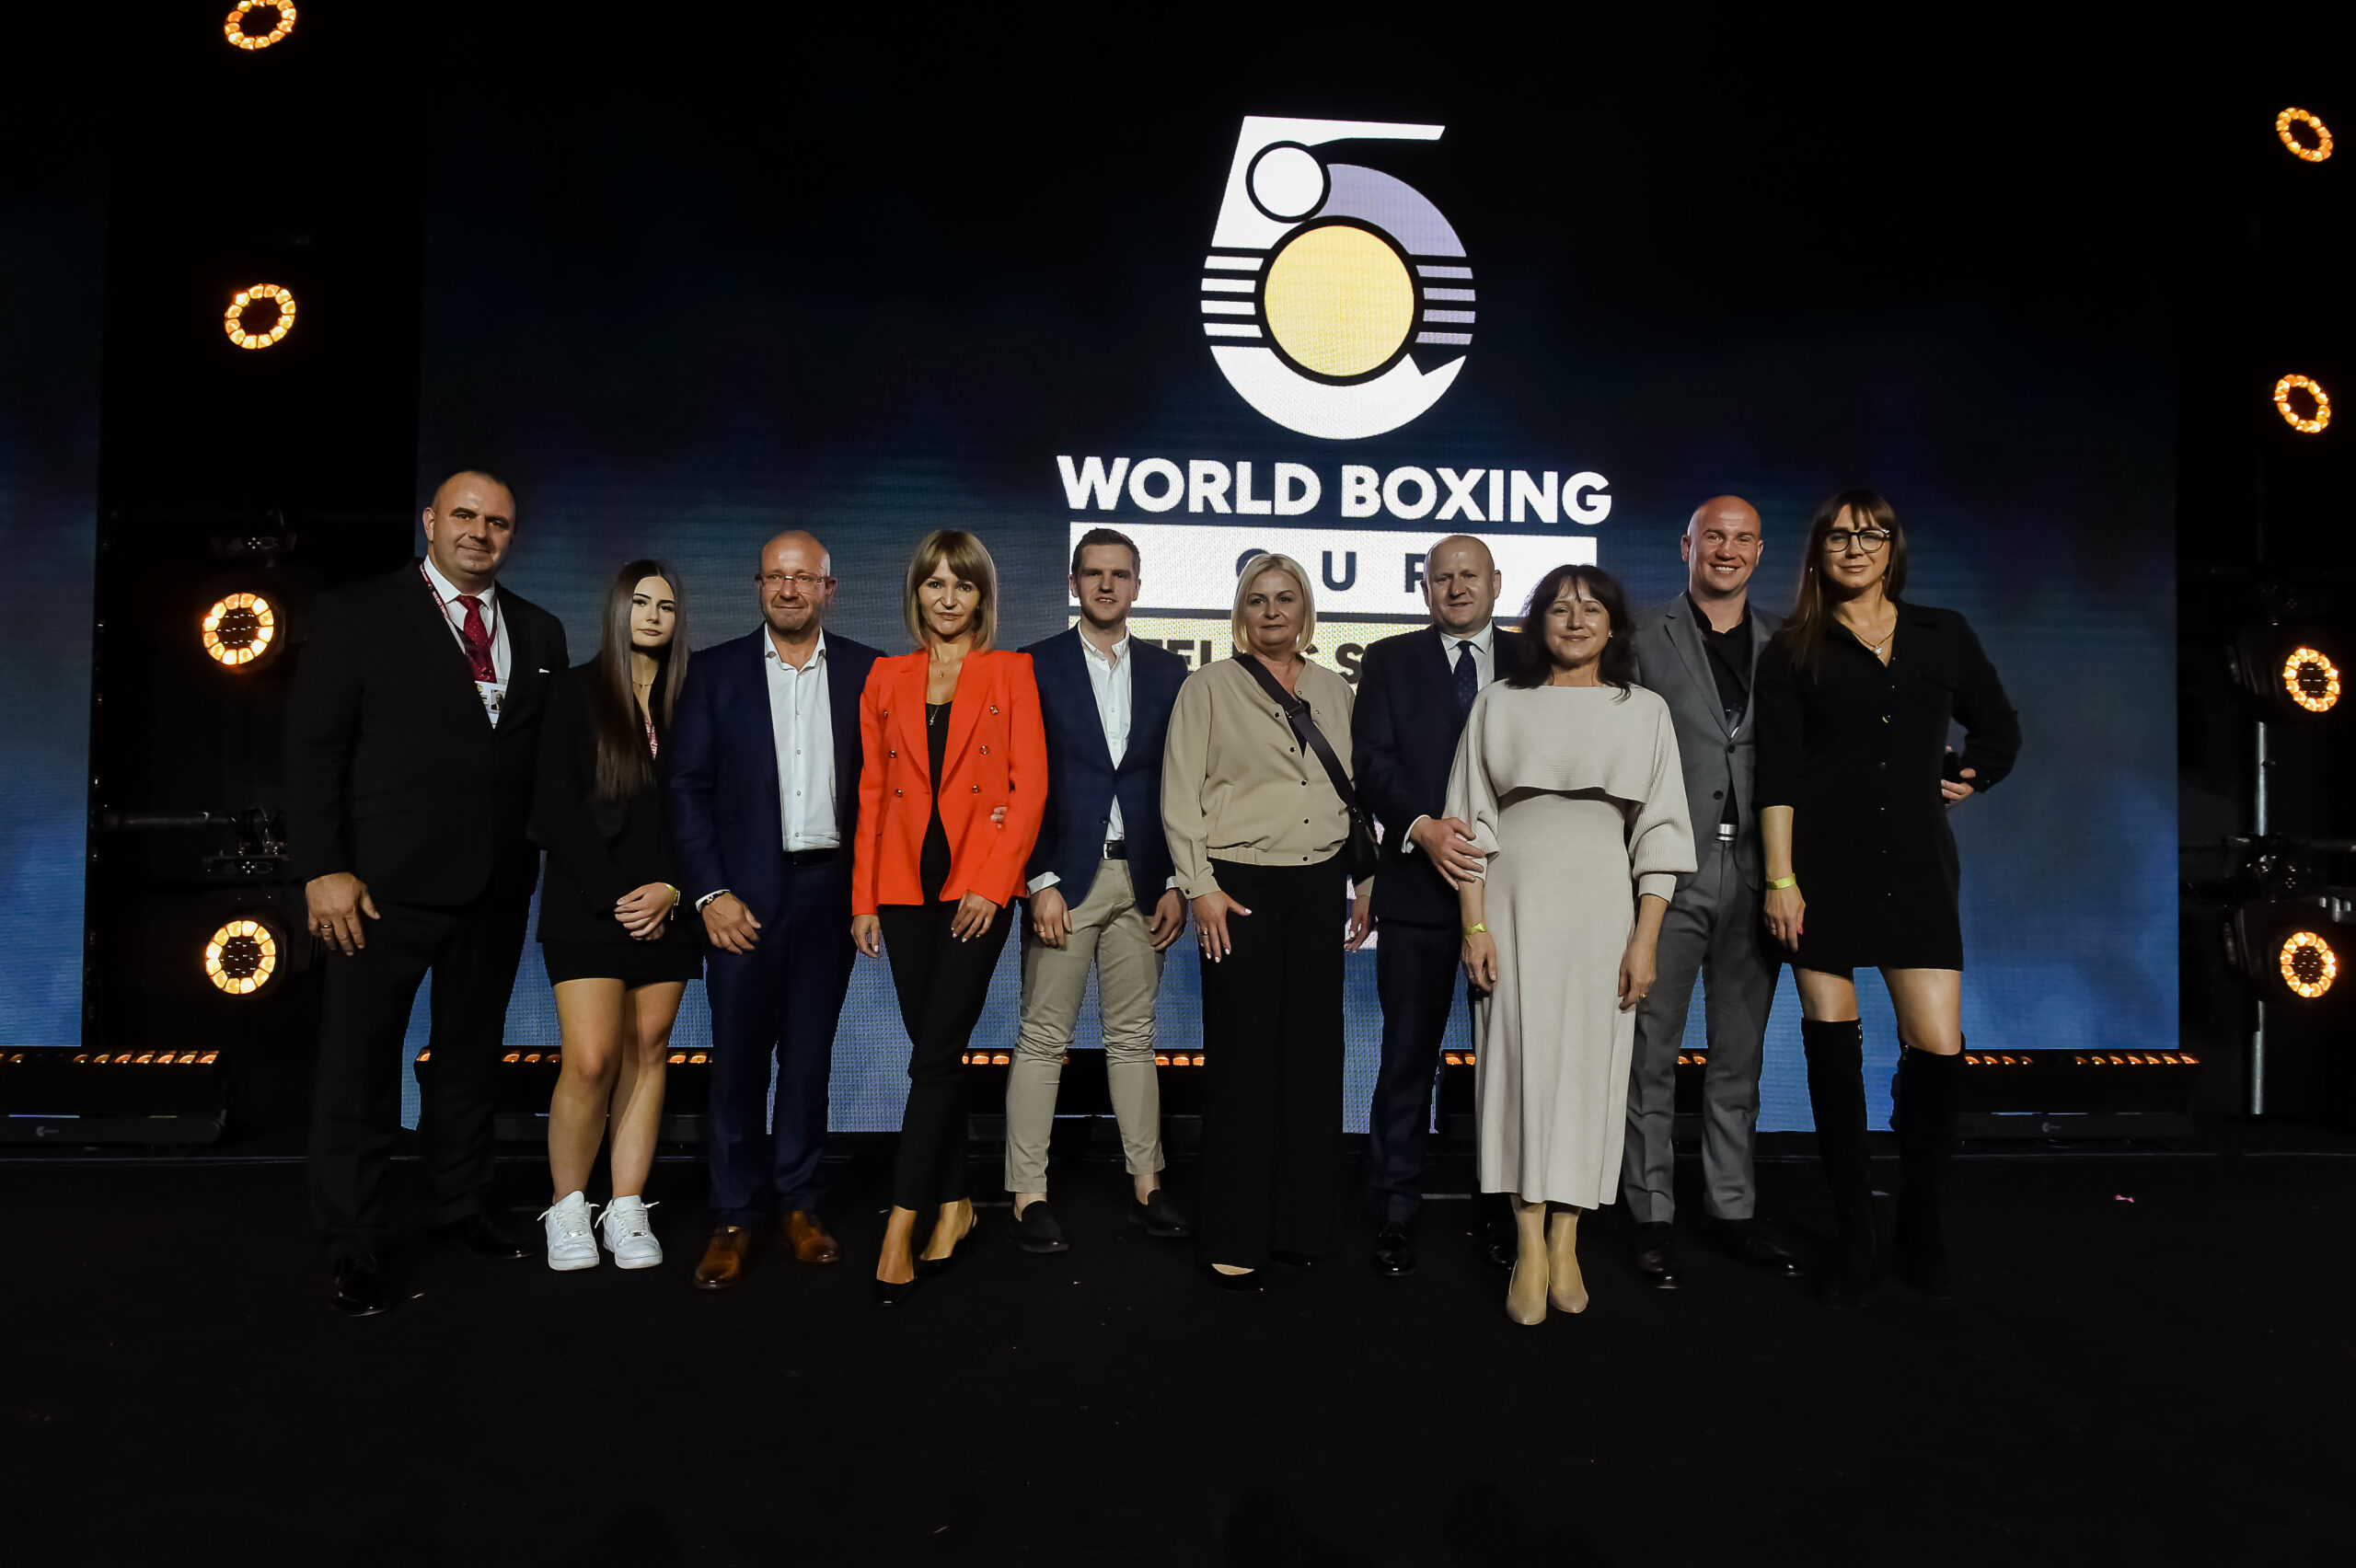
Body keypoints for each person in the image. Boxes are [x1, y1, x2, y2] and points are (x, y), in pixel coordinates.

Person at [283, 468, 571, 1316]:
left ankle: (462, 1205)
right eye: (465, 516)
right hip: (376, 891)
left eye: (498, 522)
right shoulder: (357, 613)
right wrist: (321, 868)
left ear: (512, 535)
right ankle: (353, 1240)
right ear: (431, 521)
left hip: (496, 885)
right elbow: (311, 750)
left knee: (470, 1060)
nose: (480, 532)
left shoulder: (539, 630)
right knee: (359, 1067)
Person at [1754, 490, 2019, 1305]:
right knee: (1833, 1056)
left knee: (1936, 1049)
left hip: (1915, 867)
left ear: (1892, 548)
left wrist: (1968, 775)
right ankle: (1855, 1236)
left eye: (1870, 535)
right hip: (1820, 868)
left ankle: (1921, 1220)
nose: (1855, 547)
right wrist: (1780, 879)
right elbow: (1777, 776)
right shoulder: (1793, 648)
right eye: (1838, 535)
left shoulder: (1943, 633)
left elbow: (1999, 730)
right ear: (1818, 551)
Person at [1449, 565, 1694, 1325]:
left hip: (1603, 908)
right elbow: (1468, 824)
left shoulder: (1643, 711)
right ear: (1537, 623)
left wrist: (1645, 940)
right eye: (1560, 608)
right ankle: (1527, 1236)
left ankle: (1567, 1235)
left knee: (1593, 1066)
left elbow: (1660, 836)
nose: (1576, 620)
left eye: (1591, 609)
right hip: (1513, 903)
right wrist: (1474, 925)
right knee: (1517, 1062)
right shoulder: (1499, 702)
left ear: (1613, 625)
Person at [666, 531, 883, 1290]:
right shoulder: (714, 673)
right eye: (775, 577)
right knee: (737, 1062)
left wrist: (869, 896)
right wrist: (709, 893)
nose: (789, 590)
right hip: (740, 899)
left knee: (810, 1057)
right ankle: (734, 1214)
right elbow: (685, 789)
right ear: (758, 586)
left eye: (804, 578)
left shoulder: (868, 673)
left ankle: (799, 1202)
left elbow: (884, 794)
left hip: (829, 895)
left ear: (830, 589)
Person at [1162, 553, 1373, 1292]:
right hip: (1237, 889)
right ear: (1240, 613)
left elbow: (1355, 796)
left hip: (1318, 888)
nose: (1273, 611)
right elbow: (1179, 793)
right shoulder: (1207, 688)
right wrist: (1199, 887)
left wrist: (1366, 881)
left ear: (1307, 611)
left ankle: (1303, 1225)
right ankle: (1234, 1232)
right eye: (1258, 600)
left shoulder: (1336, 691)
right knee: (1243, 1060)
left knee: (1314, 1056)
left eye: (1286, 599)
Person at [853, 529, 1047, 1304]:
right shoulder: (885, 676)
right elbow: (871, 794)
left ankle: (900, 1221)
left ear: (981, 598)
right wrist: (863, 898)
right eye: (935, 583)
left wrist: (993, 884)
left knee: (933, 1053)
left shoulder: (1011, 671)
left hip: (976, 888)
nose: (948, 597)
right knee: (936, 1051)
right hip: (902, 887)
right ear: (917, 593)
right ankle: (958, 1202)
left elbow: (1029, 787)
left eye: (962, 585)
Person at [1620, 499, 1802, 1287]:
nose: (1727, 550)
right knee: (1648, 1054)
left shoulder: (1790, 643)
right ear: (1685, 545)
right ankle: (1650, 1217)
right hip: (1666, 873)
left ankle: (1732, 1210)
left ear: (1759, 552)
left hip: (1761, 873)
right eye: (1713, 537)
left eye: (1742, 539)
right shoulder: (1639, 635)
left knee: (1739, 1058)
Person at [1005, 527, 1192, 1251]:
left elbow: (1179, 784)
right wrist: (1039, 878)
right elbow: (1016, 781)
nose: (1107, 585)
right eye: (1094, 573)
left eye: (1120, 574)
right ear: (1074, 582)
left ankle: (1148, 1185)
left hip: (1143, 880)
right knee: (1042, 1039)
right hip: (1063, 882)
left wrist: (1173, 879)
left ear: (1138, 585)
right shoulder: (1033, 665)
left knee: (1135, 1040)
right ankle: (1028, 1194)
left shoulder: (1170, 671)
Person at [1353, 535, 1531, 1278]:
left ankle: (1505, 1212)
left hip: (1519, 894)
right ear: (1424, 589)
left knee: (1511, 1064)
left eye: (1469, 575)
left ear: (1497, 582)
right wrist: (1422, 828)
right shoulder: (1389, 661)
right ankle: (1395, 1213)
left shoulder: (1536, 657)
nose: (1456, 588)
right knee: (1407, 1059)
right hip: (1417, 890)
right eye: (1441, 578)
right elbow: (1372, 765)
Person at [530, 561, 699, 1272]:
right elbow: (551, 807)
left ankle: (627, 1207)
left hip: (669, 906)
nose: (653, 615)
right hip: (587, 906)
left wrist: (672, 889)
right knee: (592, 1057)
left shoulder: (692, 700)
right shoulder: (573, 692)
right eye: (640, 601)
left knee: (649, 1050)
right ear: (616, 609)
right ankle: (569, 1206)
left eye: (666, 605)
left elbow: (707, 808)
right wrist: (615, 897)